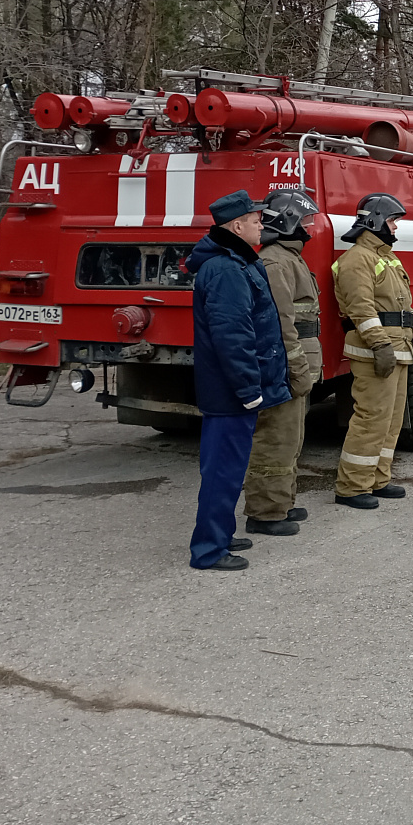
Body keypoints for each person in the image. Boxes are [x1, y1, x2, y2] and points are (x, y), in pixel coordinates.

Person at [183, 190, 291, 571]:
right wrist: (248, 389)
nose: (262, 224)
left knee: (228, 468)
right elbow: (232, 335)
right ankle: (209, 551)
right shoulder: (227, 270)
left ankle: (222, 534)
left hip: (232, 390)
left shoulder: (235, 262)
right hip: (231, 392)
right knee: (222, 472)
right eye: (257, 219)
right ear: (237, 225)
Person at [334, 193, 413, 502]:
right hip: (376, 352)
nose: (395, 229)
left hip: (398, 349)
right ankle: (351, 487)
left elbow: (404, 308)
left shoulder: (386, 258)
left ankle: (377, 478)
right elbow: (360, 309)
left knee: (391, 421)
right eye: (392, 222)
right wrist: (380, 346)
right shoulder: (355, 261)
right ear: (374, 220)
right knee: (371, 419)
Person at [243, 188, 322, 537]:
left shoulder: (289, 257)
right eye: (304, 219)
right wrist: (296, 366)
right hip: (287, 364)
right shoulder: (276, 261)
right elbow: (281, 323)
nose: (308, 226)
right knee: (276, 436)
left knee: (292, 436)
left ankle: (282, 501)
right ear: (289, 221)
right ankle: (264, 512)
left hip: (298, 360)